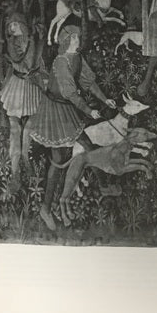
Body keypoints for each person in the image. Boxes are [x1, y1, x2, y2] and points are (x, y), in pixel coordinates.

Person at [30, 25, 115, 231]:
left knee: (88, 145)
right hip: (54, 111)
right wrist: (89, 111)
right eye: (74, 38)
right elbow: (70, 93)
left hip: (66, 108)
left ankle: (104, 186)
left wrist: (105, 99)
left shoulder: (76, 57)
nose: (78, 40)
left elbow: (89, 83)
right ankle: (46, 208)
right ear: (66, 41)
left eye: (78, 37)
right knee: (58, 159)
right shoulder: (61, 62)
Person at [0, 12, 46, 192]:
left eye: (14, 24)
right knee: (15, 131)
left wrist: (39, 38)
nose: (12, 28)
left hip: (32, 87)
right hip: (17, 86)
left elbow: (37, 61)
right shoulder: (12, 43)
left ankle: (26, 162)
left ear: (22, 24)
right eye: (10, 26)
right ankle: (15, 174)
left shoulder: (33, 40)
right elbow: (17, 60)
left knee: (28, 130)